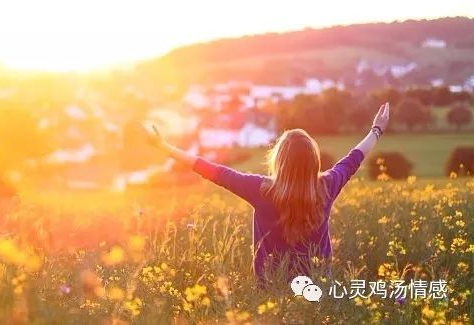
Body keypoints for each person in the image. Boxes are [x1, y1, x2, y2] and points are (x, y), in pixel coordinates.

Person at [144, 102, 390, 282]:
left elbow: (210, 169)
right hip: (317, 287)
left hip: (271, 289)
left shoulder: (260, 189)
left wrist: (165, 147)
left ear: (279, 160)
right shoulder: (328, 185)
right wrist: (376, 129)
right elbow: (354, 158)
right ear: (314, 161)